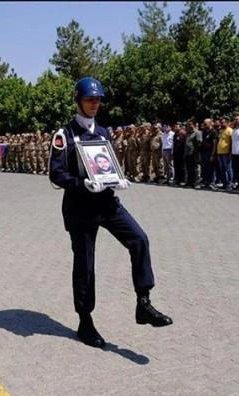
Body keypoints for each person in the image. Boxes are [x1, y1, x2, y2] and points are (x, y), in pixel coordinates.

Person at [48, 77, 173, 349]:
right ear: (78, 101)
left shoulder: (104, 133)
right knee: (85, 265)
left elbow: (107, 164)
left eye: (98, 99)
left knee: (139, 239)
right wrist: (80, 183)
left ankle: (144, 302)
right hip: (80, 206)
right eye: (90, 99)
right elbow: (55, 174)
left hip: (106, 201)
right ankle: (85, 320)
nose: (95, 103)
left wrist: (118, 178)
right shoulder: (64, 135)